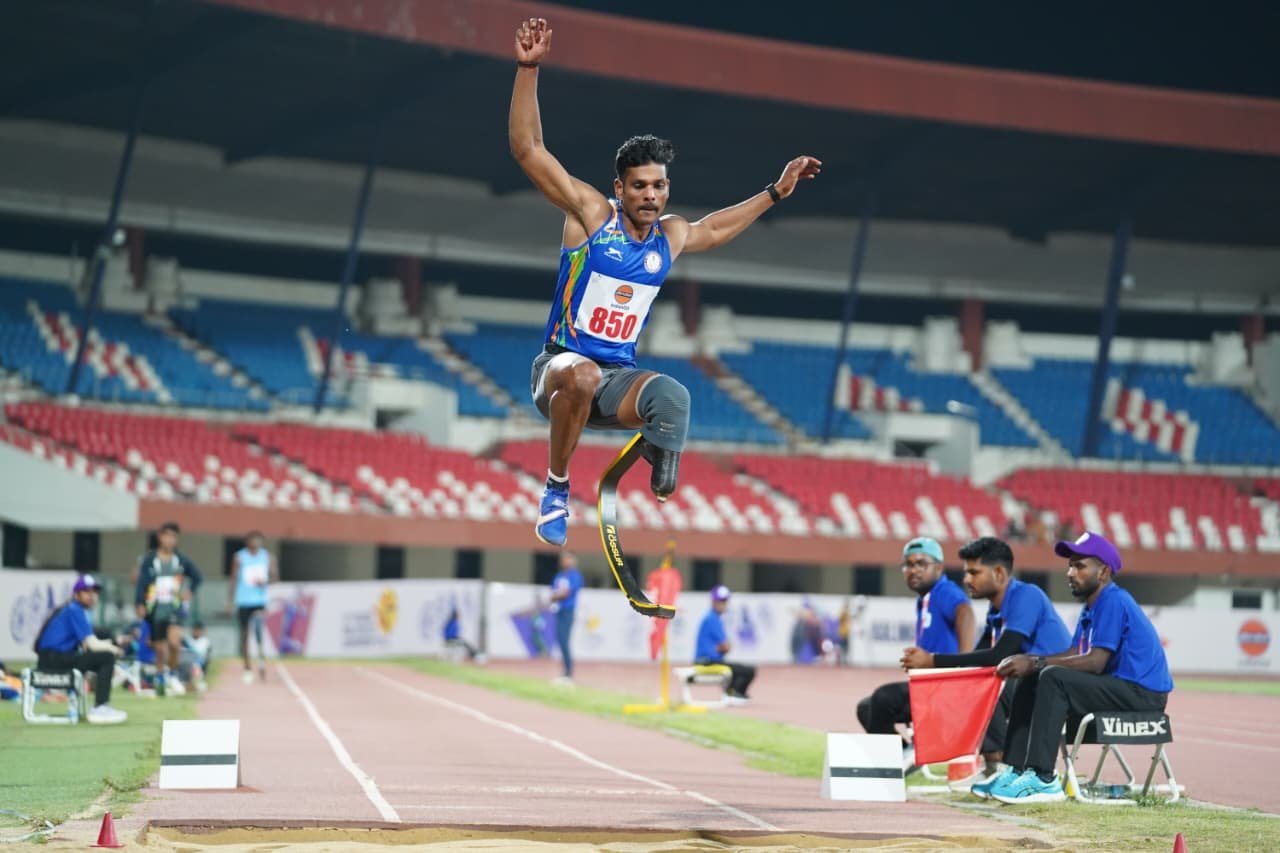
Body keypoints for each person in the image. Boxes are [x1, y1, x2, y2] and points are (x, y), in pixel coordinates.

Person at [510, 17, 822, 547]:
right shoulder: (589, 215)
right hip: (558, 373)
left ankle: (656, 457)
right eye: (639, 187)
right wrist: (527, 69)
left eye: (659, 186)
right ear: (620, 188)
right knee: (583, 375)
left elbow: (716, 228)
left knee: (674, 397)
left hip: (614, 381)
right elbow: (529, 150)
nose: (651, 196)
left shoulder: (670, 236)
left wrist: (775, 192)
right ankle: (557, 489)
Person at [981, 531, 1174, 804]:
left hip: (1143, 695)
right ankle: (1016, 769)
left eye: (1080, 566)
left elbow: (1096, 662)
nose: (1070, 572)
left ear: (1104, 571)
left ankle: (1042, 778)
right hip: (1120, 688)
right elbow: (1074, 653)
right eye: (1070, 565)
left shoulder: (1113, 600)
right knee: (1034, 676)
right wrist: (1031, 665)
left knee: (1052, 676)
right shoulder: (1091, 607)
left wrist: (1035, 662)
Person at [900, 536, 1071, 791]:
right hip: (1027, 681)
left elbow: (999, 655)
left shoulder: (1026, 596)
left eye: (974, 572)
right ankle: (991, 767)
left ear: (999, 573)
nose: (967, 579)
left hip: (1054, 683)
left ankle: (1004, 767)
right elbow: (981, 656)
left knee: (989, 687)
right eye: (966, 572)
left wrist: (932, 660)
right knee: (973, 684)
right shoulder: (995, 610)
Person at [856, 537, 976, 768]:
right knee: (866, 708)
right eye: (909, 565)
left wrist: (964, 664)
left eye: (922, 564)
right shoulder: (925, 600)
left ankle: (899, 762)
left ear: (939, 567)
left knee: (883, 697)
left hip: (944, 690)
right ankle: (903, 759)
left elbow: (965, 612)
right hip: (926, 689)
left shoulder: (945, 591)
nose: (914, 570)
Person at [33, 575, 127, 724]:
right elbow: (92, 644)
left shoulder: (74, 609)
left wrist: (112, 643)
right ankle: (101, 707)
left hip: (53, 658)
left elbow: (88, 644)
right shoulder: (75, 609)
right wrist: (114, 649)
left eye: (94, 592)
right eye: (86, 592)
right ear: (76, 594)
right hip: (53, 659)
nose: (91, 595)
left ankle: (100, 705)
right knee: (107, 657)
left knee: (100, 658)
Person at [135, 521, 203, 696]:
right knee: (159, 649)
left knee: (174, 643)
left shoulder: (180, 560)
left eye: (173, 536)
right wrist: (139, 603)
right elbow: (141, 583)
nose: (169, 540)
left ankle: (173, 675)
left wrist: (190, 591)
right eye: (166, 536)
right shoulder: (150, 560)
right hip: (155, 609)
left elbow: (197, 576)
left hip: (174, 608)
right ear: (160, 537)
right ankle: (160, 678)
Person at [694, 585, 755, 704]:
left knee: (743, 669)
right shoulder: (712, 619)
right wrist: (722, 648)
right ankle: (732, 693)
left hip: (708, 660)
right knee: (749, 671)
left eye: (725, 601)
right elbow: (726, 646)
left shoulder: (712, 618)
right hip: (707, 661)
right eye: (721, 601)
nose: (723, 604)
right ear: (713, 601)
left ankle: (734, 693)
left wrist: (722, 648)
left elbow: (724, 647)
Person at [227, 530, 274, 684]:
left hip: (259, 600)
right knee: (245, 635)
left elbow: (275, 576)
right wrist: (230, 601)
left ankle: (261, 659)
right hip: (243, 600)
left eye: (258, 540)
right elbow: (233, 579)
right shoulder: (240, 557)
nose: (255, 543)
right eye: (252, 540)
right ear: (247, 541)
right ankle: (247, 668)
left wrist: (265, 581)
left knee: (259, 628)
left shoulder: (267, 556)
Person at [549, 551, 584, 683]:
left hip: (568, 611)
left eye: (567, 559)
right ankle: (564, 670)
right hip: (558, 610)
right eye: (563, 559)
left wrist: (557, 596)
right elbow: (553, 592)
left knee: (564, 640)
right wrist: (555, 596)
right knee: (560, 640)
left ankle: (568, 672)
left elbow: (566, 593)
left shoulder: (575, 576)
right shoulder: (559, 576)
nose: (564, 561)